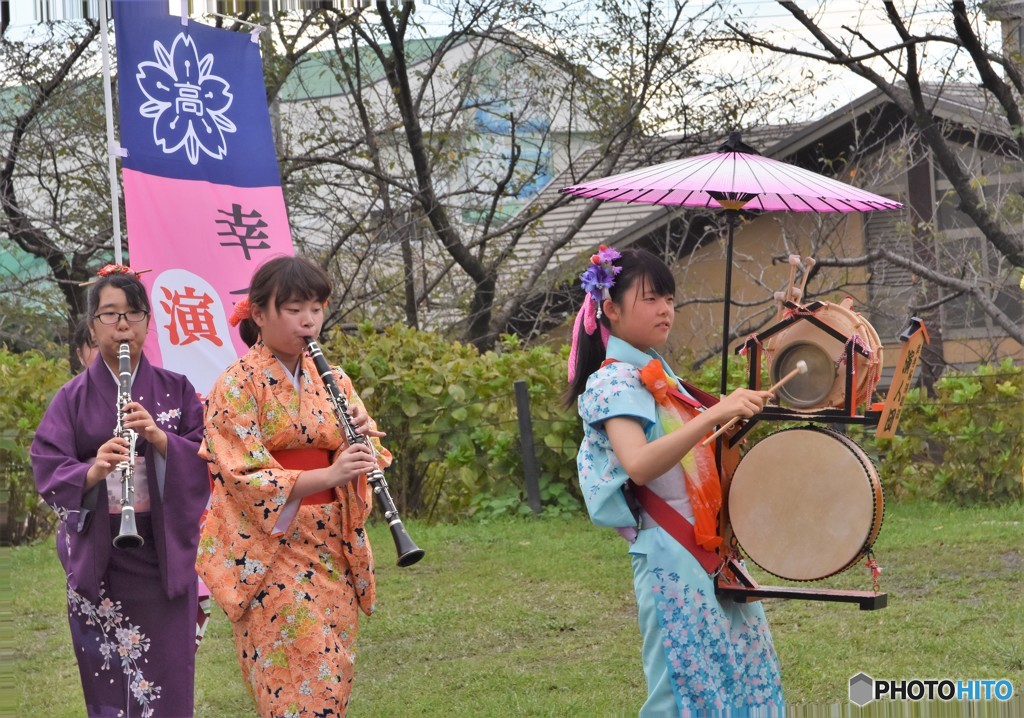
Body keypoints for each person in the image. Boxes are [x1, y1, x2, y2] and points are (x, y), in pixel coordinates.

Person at [566, 246, 785, 716]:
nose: (666, 309)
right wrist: (717, 413)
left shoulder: (659, 376)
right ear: (610, 309)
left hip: (709, 550)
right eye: (651, 298)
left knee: (745, 674)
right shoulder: (612, 383)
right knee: (684, 690)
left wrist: (731, 416)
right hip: (670, 553)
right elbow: (640, 465)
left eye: (669, 298)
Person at [196, 255, 389, 718]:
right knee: (300, 680)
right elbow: (241, 475)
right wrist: (329, 475)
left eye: (317, 308)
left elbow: (371, 456)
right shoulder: (237, 384)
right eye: (294, 308)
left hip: (332, 545)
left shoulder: (334, 378)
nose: (309, 320)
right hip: (270, 551)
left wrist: (361, 438)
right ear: (259, 313)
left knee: (331, 672)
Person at [31, 265, 210, 718]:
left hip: (162, 553)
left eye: (132, 313)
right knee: (110, 682)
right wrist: (93, 471)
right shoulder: (71, 398)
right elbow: (48, 465)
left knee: (168, 678)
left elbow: (209, 457)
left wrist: (161, 439)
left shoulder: (177, 389)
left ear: (148, 321)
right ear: (92, 325)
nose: (122, 324)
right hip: (101, 556)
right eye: (109, 315)